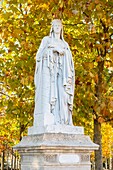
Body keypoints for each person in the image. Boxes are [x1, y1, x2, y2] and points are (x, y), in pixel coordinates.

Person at [34, 19, 75, 126]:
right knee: (50, 96)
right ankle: (52, 119)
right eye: (55, 25)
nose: (57, 27)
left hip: (63, 74)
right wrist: (53, 49)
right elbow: (38, 56)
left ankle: (63, 120)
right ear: (52, 27)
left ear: (61, 28)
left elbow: (69, 61)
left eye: (59, 25)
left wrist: (63, 52)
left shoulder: (65, 43)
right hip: (50, 72)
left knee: (63, 95)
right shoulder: (46, 40)